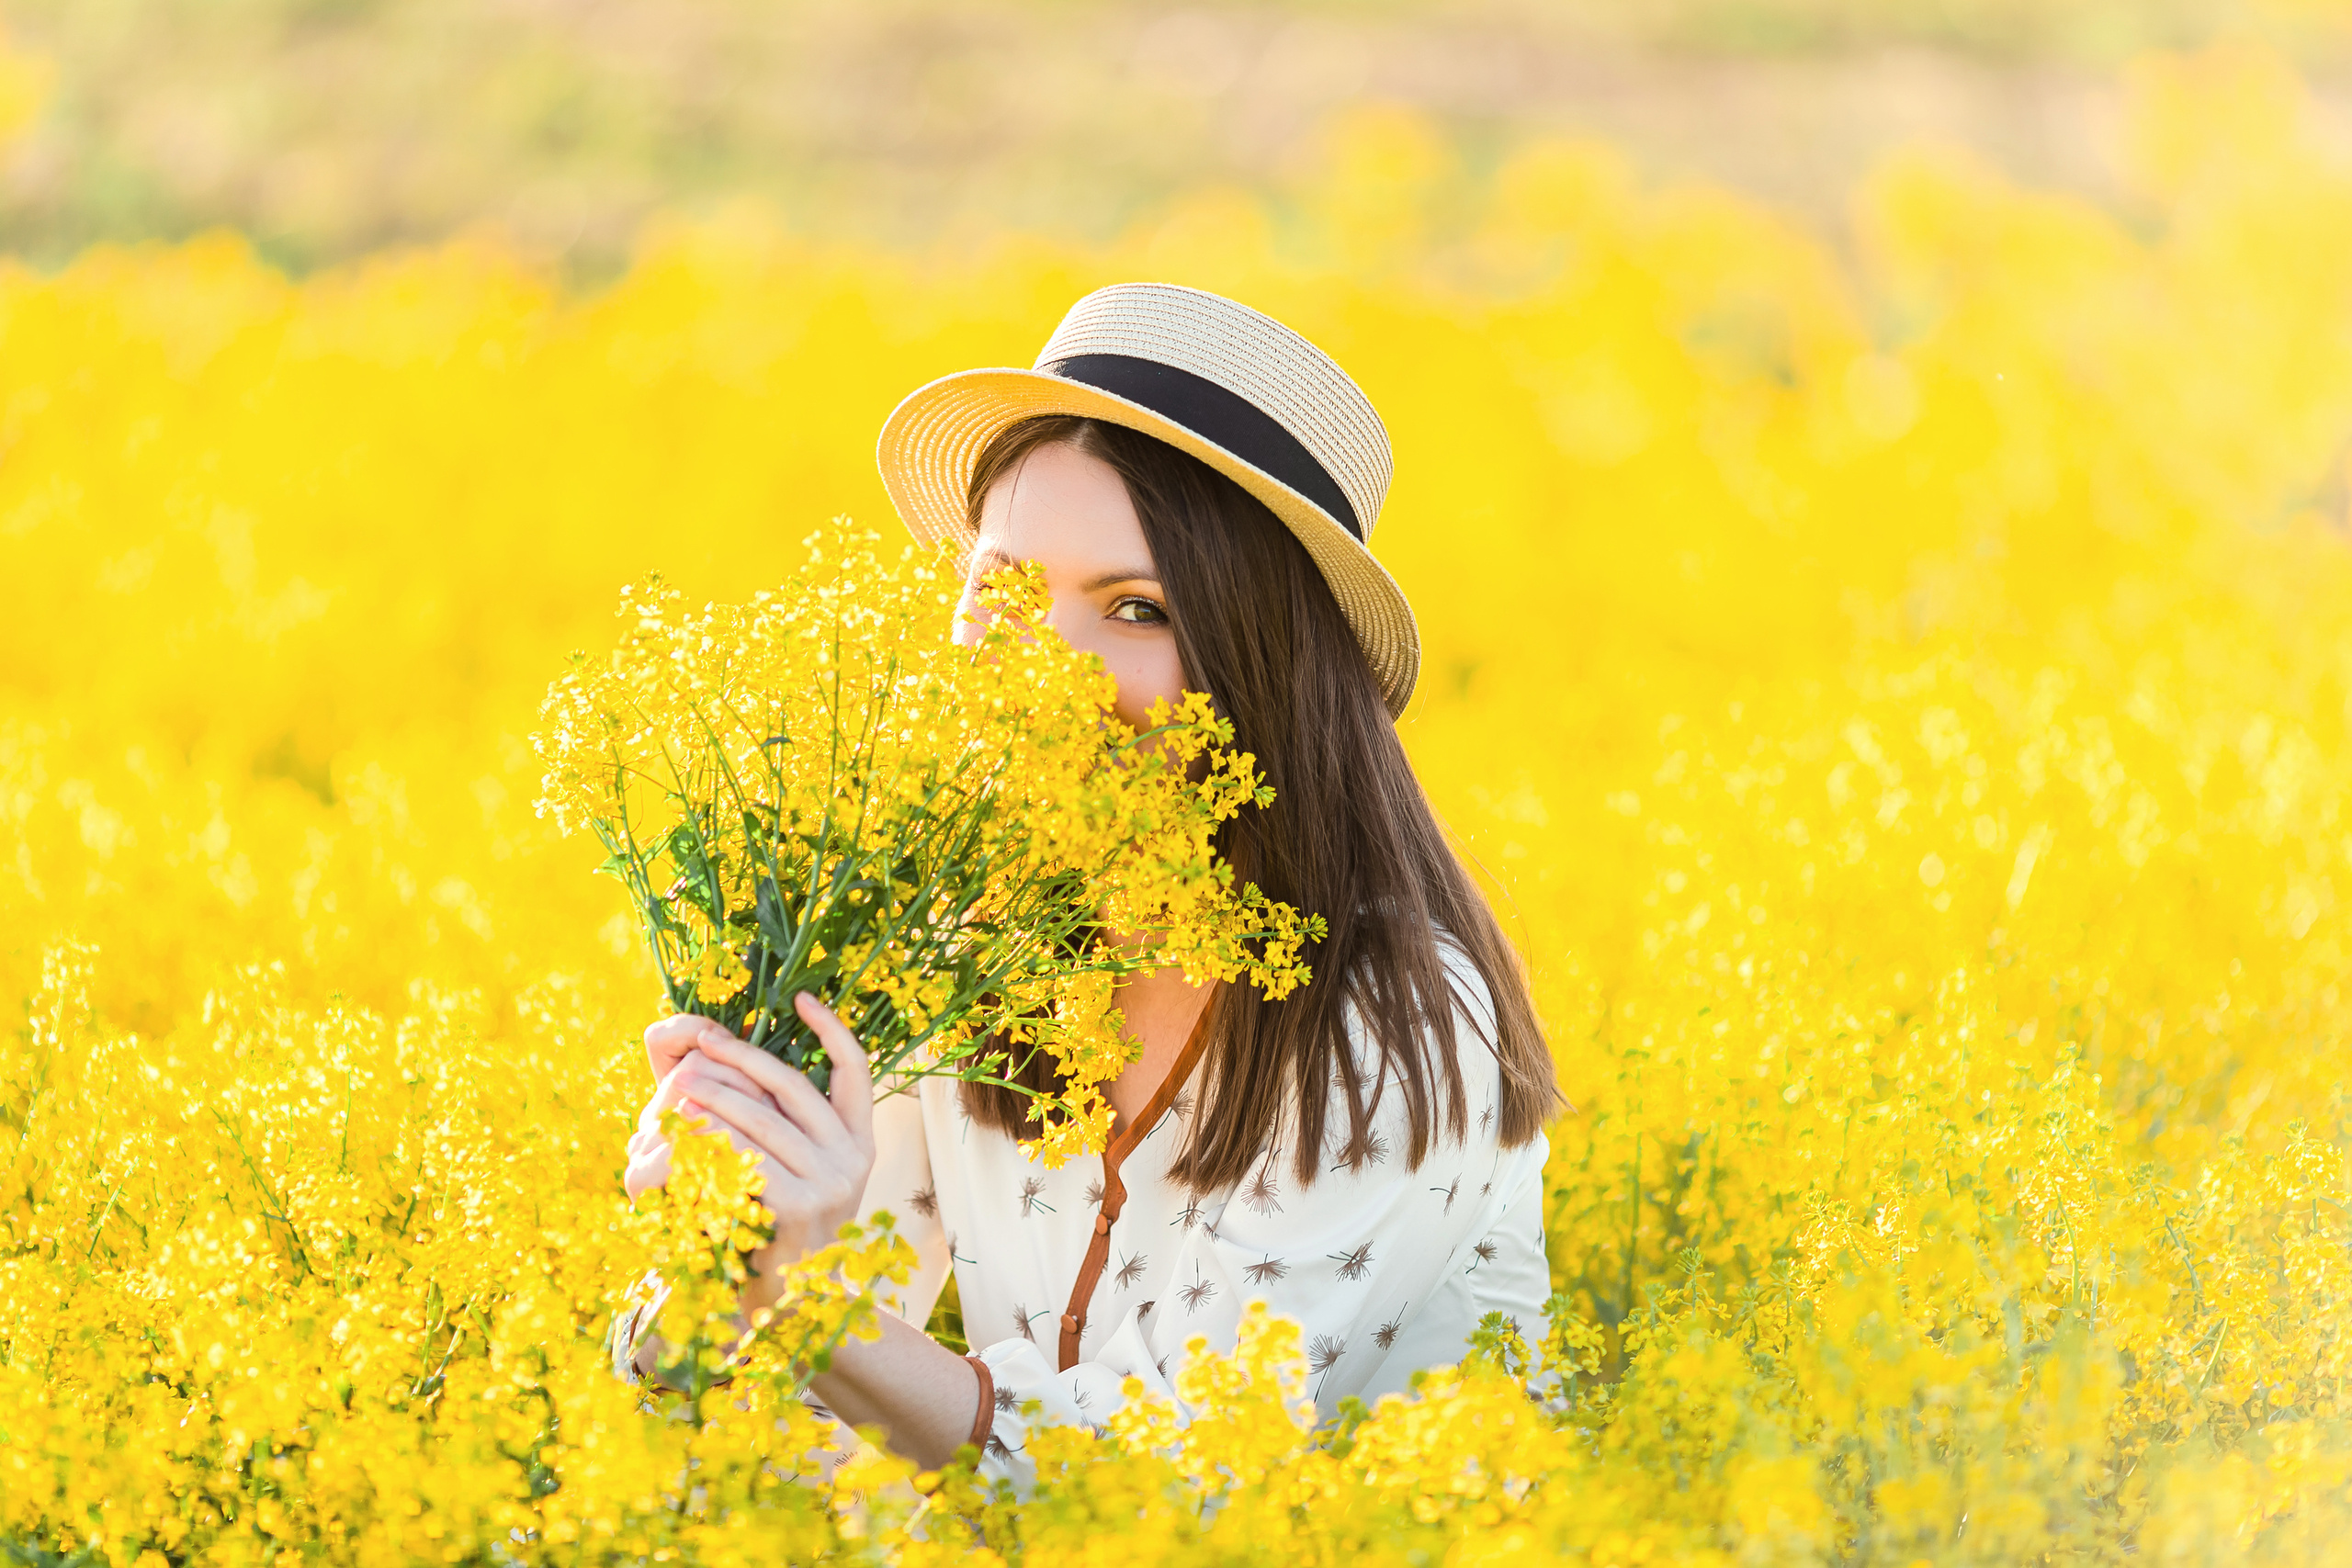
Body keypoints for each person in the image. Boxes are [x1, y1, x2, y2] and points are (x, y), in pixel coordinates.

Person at [614, 282, 1560, 1481]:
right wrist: (713, 1241)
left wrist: (803, 1307)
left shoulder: (1394, 1019)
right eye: (1002, 593)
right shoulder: (958, 947)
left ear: (1267, 662)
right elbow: (784, 1432)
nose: (1048, 670)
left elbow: (1174, 1483)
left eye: (1137, 609)